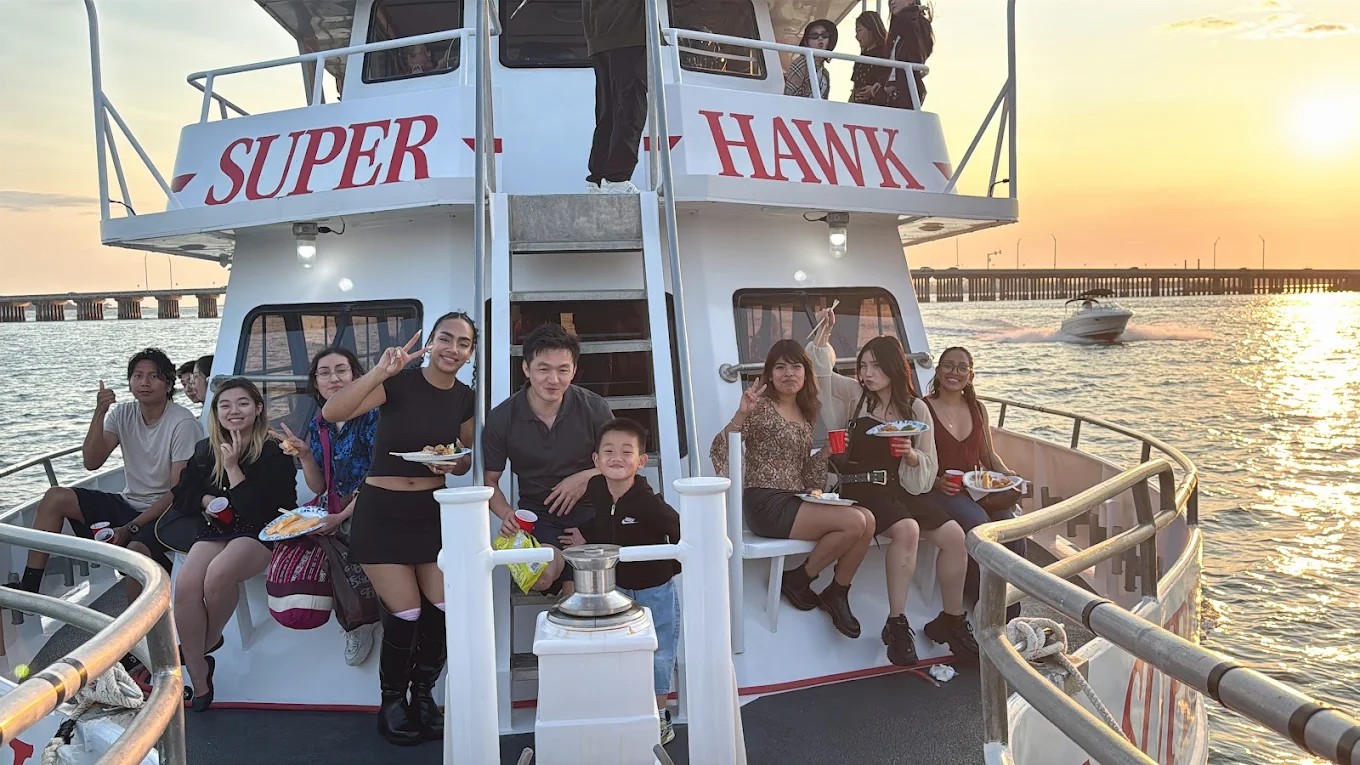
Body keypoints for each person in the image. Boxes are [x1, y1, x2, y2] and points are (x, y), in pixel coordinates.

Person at [322, 312, 477, 746]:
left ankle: (424, 697)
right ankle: (392, 703)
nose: (452, 348)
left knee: (443, 608)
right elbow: (333, 411)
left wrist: (452, 462)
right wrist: (379, 370)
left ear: (469, 354)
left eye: (462, 343)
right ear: (430, 343)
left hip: (430, 509)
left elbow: (463, 456)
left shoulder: (465, 398)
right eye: (445, 338)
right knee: (406, 611)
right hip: (382, 509)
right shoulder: (398, 382)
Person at [808, 311, 977, 666]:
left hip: (903, 489)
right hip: (861, 486)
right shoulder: (855, 396)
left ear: (892, 367)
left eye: (874, 366)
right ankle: (897, 623)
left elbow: (926, 471)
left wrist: (911, 455)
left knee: (955, 538)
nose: (866, 373)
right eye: (863, 365)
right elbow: (821, 374)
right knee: (907, 529)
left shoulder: (915, 408)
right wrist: (823, 337)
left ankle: (952, 619)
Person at [710, 340, 875, 639]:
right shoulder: (760, 408)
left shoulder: (806, 412)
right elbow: (721, 450)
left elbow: (807, 477)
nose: (789, 373)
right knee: (854, 521)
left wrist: (823, 455)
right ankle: (799, 580)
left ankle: (838, 592)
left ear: (806, 373)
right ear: (770, 374)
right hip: (765, 503)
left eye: (796, 366)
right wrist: (741, 414)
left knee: (868, 519)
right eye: (780, 367)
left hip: (794, 499)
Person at [9, 349, 199, 597]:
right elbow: (91, 461)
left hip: (165, 513)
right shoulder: (122, 414)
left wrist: (131, 527)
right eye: (138, 375)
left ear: (168, 384)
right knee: (56, 497)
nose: (144, 382)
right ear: (130, 382)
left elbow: (177, 493)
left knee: (136, 555)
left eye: (154, 376)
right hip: (129, 502)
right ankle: (30, 585)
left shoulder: (182, 423)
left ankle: (138, 630)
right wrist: (100, 411)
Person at [170, 378, 297, 712]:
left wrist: (232, 468)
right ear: (215, 412)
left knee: (218, 575)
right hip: (218, 528)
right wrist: (208, 499)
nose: (233, 411)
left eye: (242, 403)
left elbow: (270, 509)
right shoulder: (204, 450)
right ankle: (199, 673)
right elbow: (182, 495)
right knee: (185, 585)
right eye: (225, 405)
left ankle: (205, 643)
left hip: (262, 530)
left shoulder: (274, 451)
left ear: (257, 409)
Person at [561, 418, 681, 745]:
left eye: (626, 452)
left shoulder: (648, 501)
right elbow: (605, 526)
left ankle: (659, 719)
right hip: (615, 590)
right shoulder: (597, 490)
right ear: (596, 460)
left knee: (658, 652)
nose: (617, 457)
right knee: (618, 649)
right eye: (608, 451)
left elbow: (680, 532)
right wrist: (585, 540)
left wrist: (667, 566)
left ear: (641, 461)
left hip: (655, 590)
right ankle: (625, 711)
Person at [483, 323, 613, 594]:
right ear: (526, 369)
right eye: (544, 369)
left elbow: (623, 464)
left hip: (594, 514)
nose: (553, 379)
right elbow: (490, 481)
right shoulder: (500, 418)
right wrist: (508, 515)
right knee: (541, 575)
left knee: (580, 595)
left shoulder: (595, 408)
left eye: (563, 369)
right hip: (540, 517)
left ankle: (572, 587)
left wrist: (585, 477)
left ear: (574, 371)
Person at [273, 346, 381, 666]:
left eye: (341, 370)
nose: (333, 378)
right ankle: (346, 610)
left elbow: (379, 475)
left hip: (376, 501)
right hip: (337, 503)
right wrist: (305, 454)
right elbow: (320, 486)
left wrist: (341, 516)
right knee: (291, 538)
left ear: (356, 377)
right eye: (324, 372)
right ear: (316, 382)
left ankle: (361, 618)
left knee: (346, 534)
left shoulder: (373, 415)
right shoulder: (320, 423)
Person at [924, 346, 1026, 619]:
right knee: (979, 523)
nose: (953, 373)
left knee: (1012, 528)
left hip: (976, 490)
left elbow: (988, 456)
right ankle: (980, 601)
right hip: (940, 490)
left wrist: (1008, 476)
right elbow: (918, 462)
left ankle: (1010, 612)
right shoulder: (923, 407)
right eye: (948, 366)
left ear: (971, 374)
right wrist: (936, 482)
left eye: (961, 368)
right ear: (937, 370)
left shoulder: (978, 408)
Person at [583, 0, 646, 194]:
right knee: (630, 109)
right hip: (629, 31)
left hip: (598, 33)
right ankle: (617, 179)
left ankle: (598, 179)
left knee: (607, 112)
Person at [883, 0, 934, 110]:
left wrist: (911, 12)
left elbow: (917, 55)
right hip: (893, 92)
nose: (892, 2)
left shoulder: (916, 22)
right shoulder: (897, 29)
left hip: (905, 92)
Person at [784, 20, 837, 99]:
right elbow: (789, 96)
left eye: (824, 35)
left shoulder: (825, 73)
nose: (820, 38)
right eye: (814, 36)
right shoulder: (802, 62)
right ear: (806, 42)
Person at [850, 12, 891, 106]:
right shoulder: (861, 58)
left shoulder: (886, 54)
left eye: (859, 30)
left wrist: (873, 91)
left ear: (871, 29)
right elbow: (855, 87)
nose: (856, 36)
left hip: (879, 109)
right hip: (859, 108)